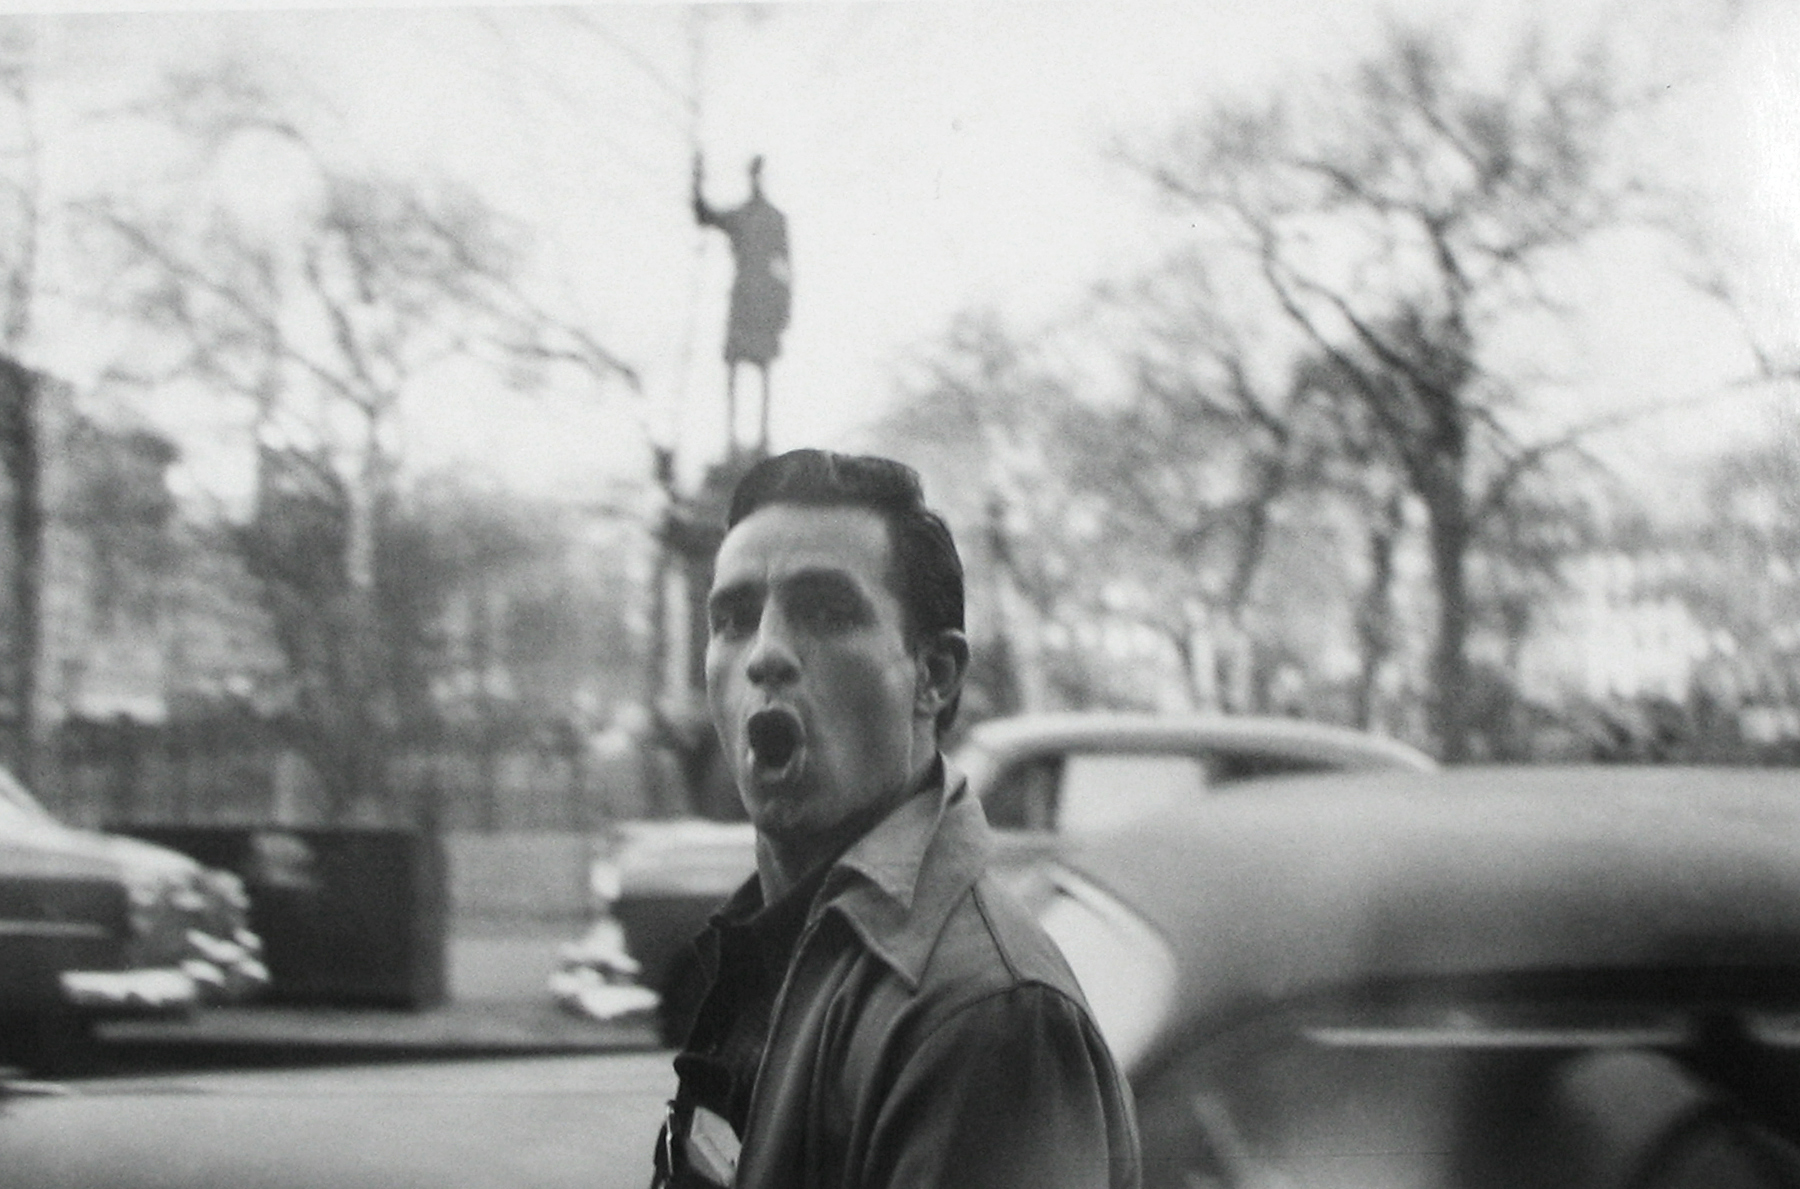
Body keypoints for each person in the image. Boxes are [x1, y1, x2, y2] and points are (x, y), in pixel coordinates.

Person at [651, 449, 1140, 1189]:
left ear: (934, 676)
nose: (766, 653)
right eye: (734, 617)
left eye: (826, 611)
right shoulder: (784, 939)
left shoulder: (986, 1015)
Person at [692, 154, 791, 456]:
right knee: (734, 366)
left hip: (764, 302)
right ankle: (732, 440)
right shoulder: (741, 216)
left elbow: (786, 267)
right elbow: (705, 216)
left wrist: (784, 309)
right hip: (743, 297)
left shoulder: (776, 219)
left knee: (763, 370)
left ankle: (762, 439)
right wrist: (696, 179)